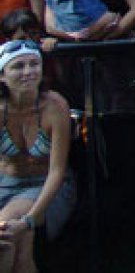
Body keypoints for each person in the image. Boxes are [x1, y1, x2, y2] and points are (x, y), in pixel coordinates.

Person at [0, 40, 76, 273]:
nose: (28, 72)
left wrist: (29, 219)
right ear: (2, 75)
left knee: (4, 236)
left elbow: (57, 171)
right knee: (21, 250)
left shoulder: (55, 105)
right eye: (18, 66)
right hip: (5, 184)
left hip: (47, 186)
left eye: (34, 64)